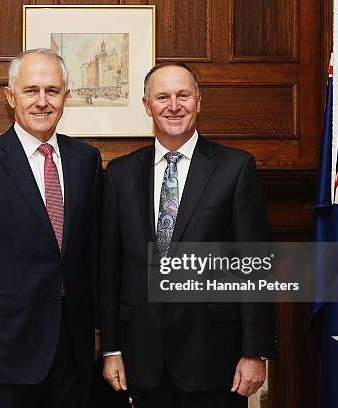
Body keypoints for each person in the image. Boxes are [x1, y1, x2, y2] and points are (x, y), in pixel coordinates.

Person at [100, 61, 275, 408]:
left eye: (183, 95)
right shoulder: (120, 174)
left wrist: (255, 352)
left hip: (215, 356)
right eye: (162, 97)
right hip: (142, 358)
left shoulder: (235, 168)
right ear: (147, 106)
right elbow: (109, 268)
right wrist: (111, 348)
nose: (173, 106)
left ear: (199, 100)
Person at [0, 48, 102, 408]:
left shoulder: (86, 160)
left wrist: (97, 329)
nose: (42, 101)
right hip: (7, 344)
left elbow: (91, 253)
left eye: (52, 91)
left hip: (73, 343)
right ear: (10, 96)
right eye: (31, 90)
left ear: (65, 98)